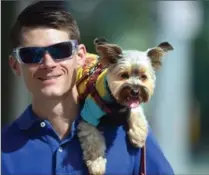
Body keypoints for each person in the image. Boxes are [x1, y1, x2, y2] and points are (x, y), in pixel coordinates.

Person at [1, 1, 174, 175]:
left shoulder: (133, 134)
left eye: (60, 50)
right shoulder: (4, 149)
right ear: (15, 65)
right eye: (32, 54)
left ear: (81, 56)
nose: (48, 63)